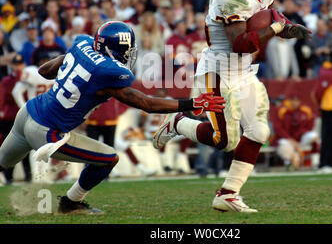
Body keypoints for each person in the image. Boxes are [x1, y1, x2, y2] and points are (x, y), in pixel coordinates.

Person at [0, 21, 225, 214]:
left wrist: (69, 57)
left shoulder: (81, 44)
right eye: (127, 50)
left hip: (27, 114)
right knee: (109, 158)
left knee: (1, 162)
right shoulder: (109, 72)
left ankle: (71, 202)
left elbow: (45, 72)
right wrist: (192, 103)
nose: (129, 54)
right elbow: (145, 103)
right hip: (47, 132)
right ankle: (71, 203)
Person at [152, 0, 311, 213]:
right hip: (218, 71)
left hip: (245, 70)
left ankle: (227, 193)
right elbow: (242, 43)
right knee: (225, 141)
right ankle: (178, 124)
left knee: (259, 130)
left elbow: (269, 16)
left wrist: (287, 26)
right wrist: (276, 26)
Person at [0, 54, 31, 184]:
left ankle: (28, 175)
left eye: (20, 64)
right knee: (9, 147)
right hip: (10, 118)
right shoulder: (7, 80)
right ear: (12, 66)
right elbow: (3, 99)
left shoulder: (29, 79)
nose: (18, 67)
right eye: (16, 65)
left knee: (26, 147)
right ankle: (8, 177)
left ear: (24, 65)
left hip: (23, 117)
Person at [273, 94, 319, 170]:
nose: (295, 103)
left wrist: (299, 135)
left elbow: (309, 127)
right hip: (287, 139)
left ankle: (315, 162)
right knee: (283, 143)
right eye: (293, 100)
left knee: (314, 136)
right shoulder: (282, 110)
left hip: (300, 139)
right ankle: (288, 163)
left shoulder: (305, 110)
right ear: (289, 101)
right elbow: (278, 128)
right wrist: (291, 140)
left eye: (297, 101)